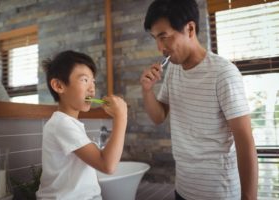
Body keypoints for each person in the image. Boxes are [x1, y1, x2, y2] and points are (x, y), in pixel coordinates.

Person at [140, 0, 258, 199]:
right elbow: (159, 116)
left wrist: (249, 197)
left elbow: (245, 141)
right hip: (183, 189)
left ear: (190, 28)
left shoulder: (223, 73)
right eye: (155, 38)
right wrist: (146, 90)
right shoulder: (174, 69)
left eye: (164, 37)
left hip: (219, 193)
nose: (160, 47)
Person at [36, 50, 127, 200]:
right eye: (84, 80)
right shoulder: (62, 124)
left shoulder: (69, 123)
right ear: (58, 85)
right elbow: (108, 165)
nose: (92, 88)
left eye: (93, 81)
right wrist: (121, 117)